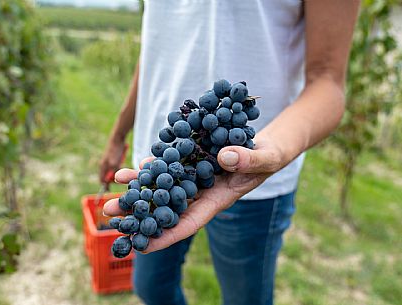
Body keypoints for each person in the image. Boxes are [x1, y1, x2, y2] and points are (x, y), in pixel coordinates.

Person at [99, 1, 360, 304]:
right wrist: (120, 132)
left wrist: (276, 148)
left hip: (253, 179)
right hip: (160, 166)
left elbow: (327, 80)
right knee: (150, 288)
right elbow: (156, 45)